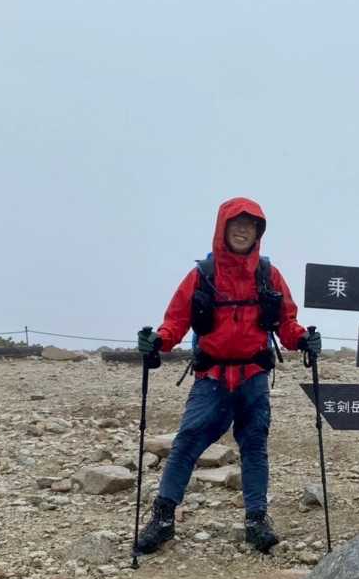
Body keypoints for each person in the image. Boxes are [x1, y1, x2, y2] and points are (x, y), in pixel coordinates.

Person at [136, 197, 322, 555]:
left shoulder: (268, 275)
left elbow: (286, 323)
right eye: (236, 224)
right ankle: (162, 518)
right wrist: (158, 340)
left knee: (254, 447)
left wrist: (303, 339)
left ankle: (256, 520)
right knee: (186, 444)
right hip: (212, 377)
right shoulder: (202, 275)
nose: (242, 230)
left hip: (253, 377)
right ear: (223, 228)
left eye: (250, 225)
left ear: (258, 233)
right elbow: (176, 321)